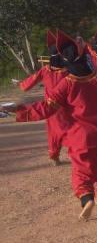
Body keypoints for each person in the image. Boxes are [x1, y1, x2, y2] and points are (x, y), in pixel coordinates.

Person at [4, 30, 97, 220]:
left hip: (80, 137)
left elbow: (45, 108)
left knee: (81, 172)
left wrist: (20, 110)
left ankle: (86, 197)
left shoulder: (67, 83)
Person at [16, 30, 70, 165]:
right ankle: (77, 154)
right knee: (71, 130)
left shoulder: (45, 70)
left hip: (49, 108)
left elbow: (27, 85)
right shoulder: (69, 71)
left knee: (53, 132)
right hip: (67, 107)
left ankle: (54, 155)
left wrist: (21, 84)